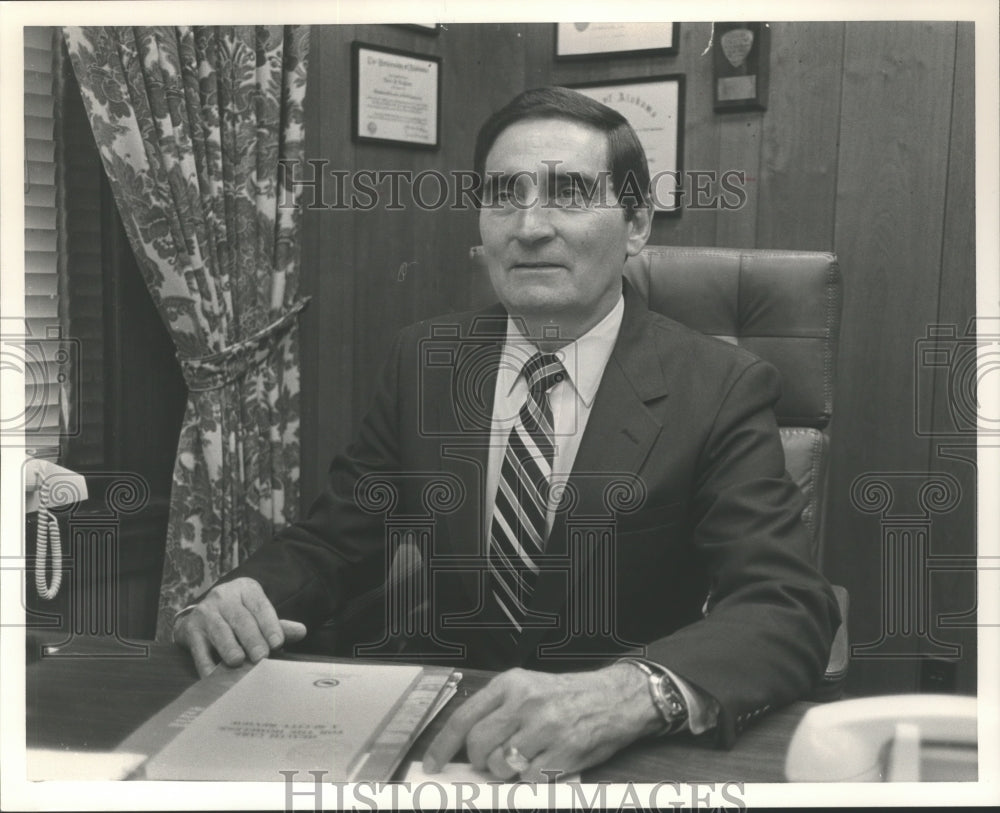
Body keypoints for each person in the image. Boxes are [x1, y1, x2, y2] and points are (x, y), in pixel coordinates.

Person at [174, 86, 839, 781]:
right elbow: (338, 539)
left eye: (569, 193)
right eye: (503, 195)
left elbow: (784, 604)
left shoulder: (721, 386)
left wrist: (629, 693)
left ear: (637, 221)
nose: (528, 225)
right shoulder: (426, 362)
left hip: (624, 754)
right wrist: (240, 595)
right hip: (451, 746)